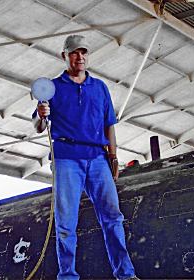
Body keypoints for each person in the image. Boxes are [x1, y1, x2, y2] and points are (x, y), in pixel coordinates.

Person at [32, 35, 138, 280]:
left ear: (87, 56)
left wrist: (113, 157)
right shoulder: (53, 87)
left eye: (83, 52)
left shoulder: (99, 87)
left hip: (98, 158)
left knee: (113, 216)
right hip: (66, 158)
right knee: (66, 222)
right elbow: (39, 126)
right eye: (73, 53)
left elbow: (109, 124)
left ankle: (125, 274)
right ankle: (67, 276)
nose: (79, 57)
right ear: (64, 56)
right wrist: (40, 114)